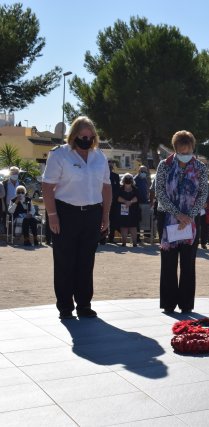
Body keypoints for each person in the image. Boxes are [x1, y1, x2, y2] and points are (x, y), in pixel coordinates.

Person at [41, 116, 112, 319]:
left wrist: (105, 215)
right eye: (83, 136)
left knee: (86, 261)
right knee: (65, 261)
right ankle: (65, 306)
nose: (87, 140)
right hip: (65, 213)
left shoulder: (100, 157)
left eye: (91, 136)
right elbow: (47, 187)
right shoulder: (60, 155)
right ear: (74, 135)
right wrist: (52, 215)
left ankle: (84, 304)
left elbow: (106, 187)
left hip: (92, 213)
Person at [155, 130, 208, 313]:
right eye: (181, 151)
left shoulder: (201, 167)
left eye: (188, 151)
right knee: (168, 263)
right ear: (175, 149)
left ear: (193, 148)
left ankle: (186, 304)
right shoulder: (164, 165)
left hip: (191, 221)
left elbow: (203, 193)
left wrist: (190, 215)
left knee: (188, 263)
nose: (184, 155)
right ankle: (168, 303)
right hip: (169, 218)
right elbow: (160, 192)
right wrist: (177, 214)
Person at [117, 173, 140, 247]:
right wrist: (125, 201)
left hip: (133, 211)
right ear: (123, 180)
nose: (128, 180)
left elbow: (137, 198)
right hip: (123, 211)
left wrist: (130, 202)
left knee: (133, 227)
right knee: (124, 227)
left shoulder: (135, 189)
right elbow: (117, 198)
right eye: (126, 178)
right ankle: (124, 243)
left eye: (129, 178)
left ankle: (134, 243)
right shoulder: (120, 189)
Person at [134, 165, 151, 244]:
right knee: (137, 221)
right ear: (139, 171)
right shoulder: (135, 179)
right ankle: (137, 238)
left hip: (145, 203)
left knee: (145, 221)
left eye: (145, 171)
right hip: (137, 204)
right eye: (142, 171)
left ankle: (146, 238)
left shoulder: (145, 179)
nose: (144, 173)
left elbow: (147, 190)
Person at [2, 166, 23, 232]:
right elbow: (2, 195)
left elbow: (25, 194)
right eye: (13, 173)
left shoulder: (21, 184)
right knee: (7, 222)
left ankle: (17, 235)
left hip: (19, 206)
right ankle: (7, 235)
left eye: (16, 173)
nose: (15, 175)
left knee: (17, 222)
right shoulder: (5, 183)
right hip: (8, 205)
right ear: (10, 174)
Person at [105, 161, 121, 244]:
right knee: (103, 220)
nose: (110, 168)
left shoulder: (116, 176)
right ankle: (102, 239)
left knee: (113, 221)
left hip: (114, 202)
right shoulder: (102, 175)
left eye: (111, 167)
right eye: (109, 167)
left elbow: (118, 189)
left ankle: (111, 238)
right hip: (103, 202)